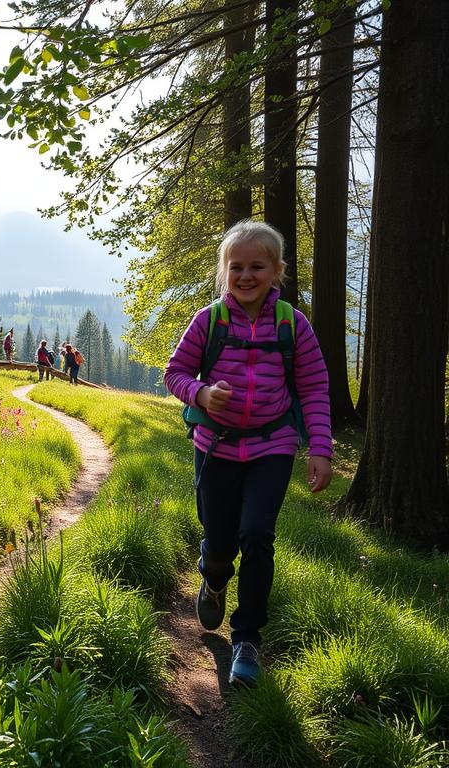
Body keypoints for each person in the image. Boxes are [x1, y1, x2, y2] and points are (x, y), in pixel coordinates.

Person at [164, 220, 332, 686]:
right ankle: (214, 575)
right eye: (236, 266)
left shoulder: (293, 325)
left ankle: (247, 639)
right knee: (219, 539)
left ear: (276, 270)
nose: (245, 275)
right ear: (224, 272)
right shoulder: (209, 320)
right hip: (214, 446)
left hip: (272, 446)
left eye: (257, 266)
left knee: (257, 534)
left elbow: (315, 388)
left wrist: (320, 449)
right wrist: (199, 394)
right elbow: (175, 372)